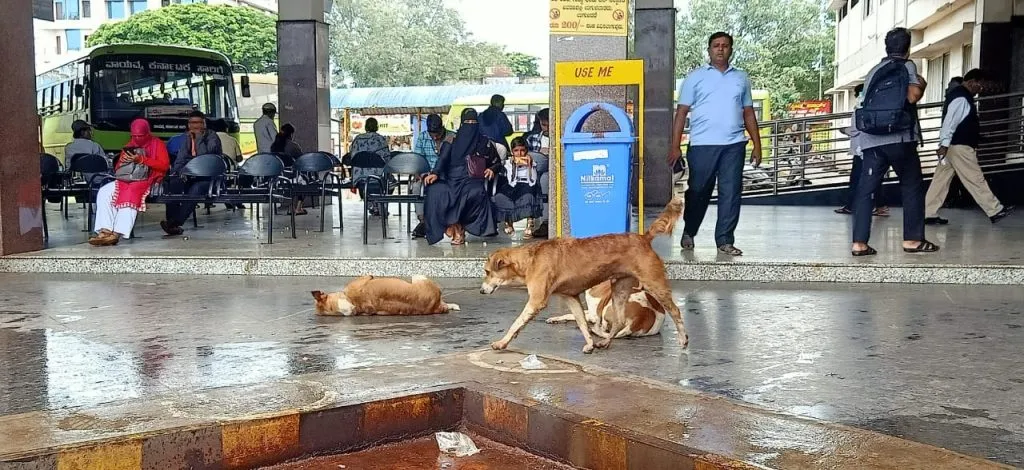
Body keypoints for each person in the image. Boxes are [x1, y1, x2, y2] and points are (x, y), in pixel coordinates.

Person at [669, 31, 762, 256]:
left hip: (734, 145)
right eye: (716, 45)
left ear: (731, 50)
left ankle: (725, 240)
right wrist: (675, 146)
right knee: (699, 192)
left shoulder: (741, 78)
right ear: (709, 50)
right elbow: (681, 113)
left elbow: (748, 113)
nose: (720, 49)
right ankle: (690, 230)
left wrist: (757, 145)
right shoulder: (695, 78)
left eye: (725, 45)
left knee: (731, 193)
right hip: (702, 145)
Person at [850, 27, 936, 256]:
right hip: (899, 138)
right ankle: (913, 240)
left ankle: (859, 243)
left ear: (886, 47)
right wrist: (923, 83)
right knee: (911, 185)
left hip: (871, 139)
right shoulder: (907, 66)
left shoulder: (874, 70)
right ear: (908, 48)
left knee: (865, 190)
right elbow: (912, 96)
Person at [924, 69, 1014, 225]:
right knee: (975, 178)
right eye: (980, 86)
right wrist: (944, 144)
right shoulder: (961, 98)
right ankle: (995, 210)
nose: (981, 90)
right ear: (972, 82)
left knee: (940, 181)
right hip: (959, 147)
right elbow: (950, 123)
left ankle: (928, 213)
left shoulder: (959, 96)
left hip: (952, 146)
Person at [422, 108, 501, 245]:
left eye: (473, 122)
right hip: (451, 178)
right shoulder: (451, 140)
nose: (470, 125)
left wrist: (492, 169)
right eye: (467, 122)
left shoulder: (485, 142)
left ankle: (458, 228)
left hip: (473, 178)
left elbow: (497, 162)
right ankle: (453, 227)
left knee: (473, 192)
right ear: (462, 124)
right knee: (435, 190)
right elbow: (443, 159)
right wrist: (435, 173)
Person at [88, 119, 170, 246]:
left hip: (149, 179)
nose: (137, 138)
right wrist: (125, 160)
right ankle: (105, 231)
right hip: (126, 179)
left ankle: (117, 233)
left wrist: (142, 159)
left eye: (140, 136)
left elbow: (164, 166)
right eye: (134, 136)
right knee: (105, 191)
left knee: (132, 193)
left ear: (147, 133)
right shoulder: (130, 144)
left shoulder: (158, 144)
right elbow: (119, 169)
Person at [161, 111, 223, 236]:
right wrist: (175, 173)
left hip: (208, 177)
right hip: (190, 174)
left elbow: (205, 157)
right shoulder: (187, 138)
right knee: (172, 184)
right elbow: (181, 158)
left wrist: (199, 138)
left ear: (204, 123)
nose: (195, 126)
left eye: (198, 123)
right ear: (188, 125)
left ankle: (176, 222)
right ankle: (171, 222)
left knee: (196, 189)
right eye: (192, 123)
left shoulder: (212, 137)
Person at [835, 84, 889, 216]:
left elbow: (857, 129)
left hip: (862, 149)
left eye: (857, 94)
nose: (856, 97)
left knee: (857, 179)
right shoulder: (875, 106)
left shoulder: (862, 108)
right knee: (873, 178)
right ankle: (879, 205)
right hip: (870, 147)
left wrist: (844, 130)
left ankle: (853, 206)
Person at [410, 114, 455, 238]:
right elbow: (417, 159)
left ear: (442, 129)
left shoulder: (452, 137)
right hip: (426, 173)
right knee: (416, 187)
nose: (435, 137)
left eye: (437, 133)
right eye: (432, 134)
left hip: (446, 175)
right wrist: (422, 173)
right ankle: (423, 221)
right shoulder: (423, 137)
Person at [494, 137, 543, 238]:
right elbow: (510, 180)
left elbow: (532, 180)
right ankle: (509, 221)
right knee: (501, 196)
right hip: (513, 184)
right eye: (516, 151)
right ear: (512, 151)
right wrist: (513, 165)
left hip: (527, 184)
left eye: (522, 150)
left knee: (528, 195)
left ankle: (529, 224)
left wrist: (529, 165)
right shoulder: (509, 163)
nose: (519, 154)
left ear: (526, 151)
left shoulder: (531, 161)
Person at [349, 118, 393, 215]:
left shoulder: (358, 139)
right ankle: (381, 205)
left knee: (364, 184)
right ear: (376, 127)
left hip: (360, 178)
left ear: (365, 127)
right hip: (378, 177)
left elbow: (352, 156)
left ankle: (371, 205)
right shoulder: (381, 139)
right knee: (391, 182)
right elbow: (387, 159)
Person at [523, 108, 551, 238]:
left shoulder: (560, 138)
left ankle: (545, 222)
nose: (546, 128)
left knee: (544, 179)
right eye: (543, 125)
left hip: (550, 170)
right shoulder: (532, 139)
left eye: (549, 125)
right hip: (536, 171)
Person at [271, 123, 307, 215]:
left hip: (277, 178)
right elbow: (301, 161)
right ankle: (298, 208)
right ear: (291, 134)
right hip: (292, 176)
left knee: (293, 180)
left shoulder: (273, 147)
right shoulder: (293, 146)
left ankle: (291, 207)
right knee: (304, 180)